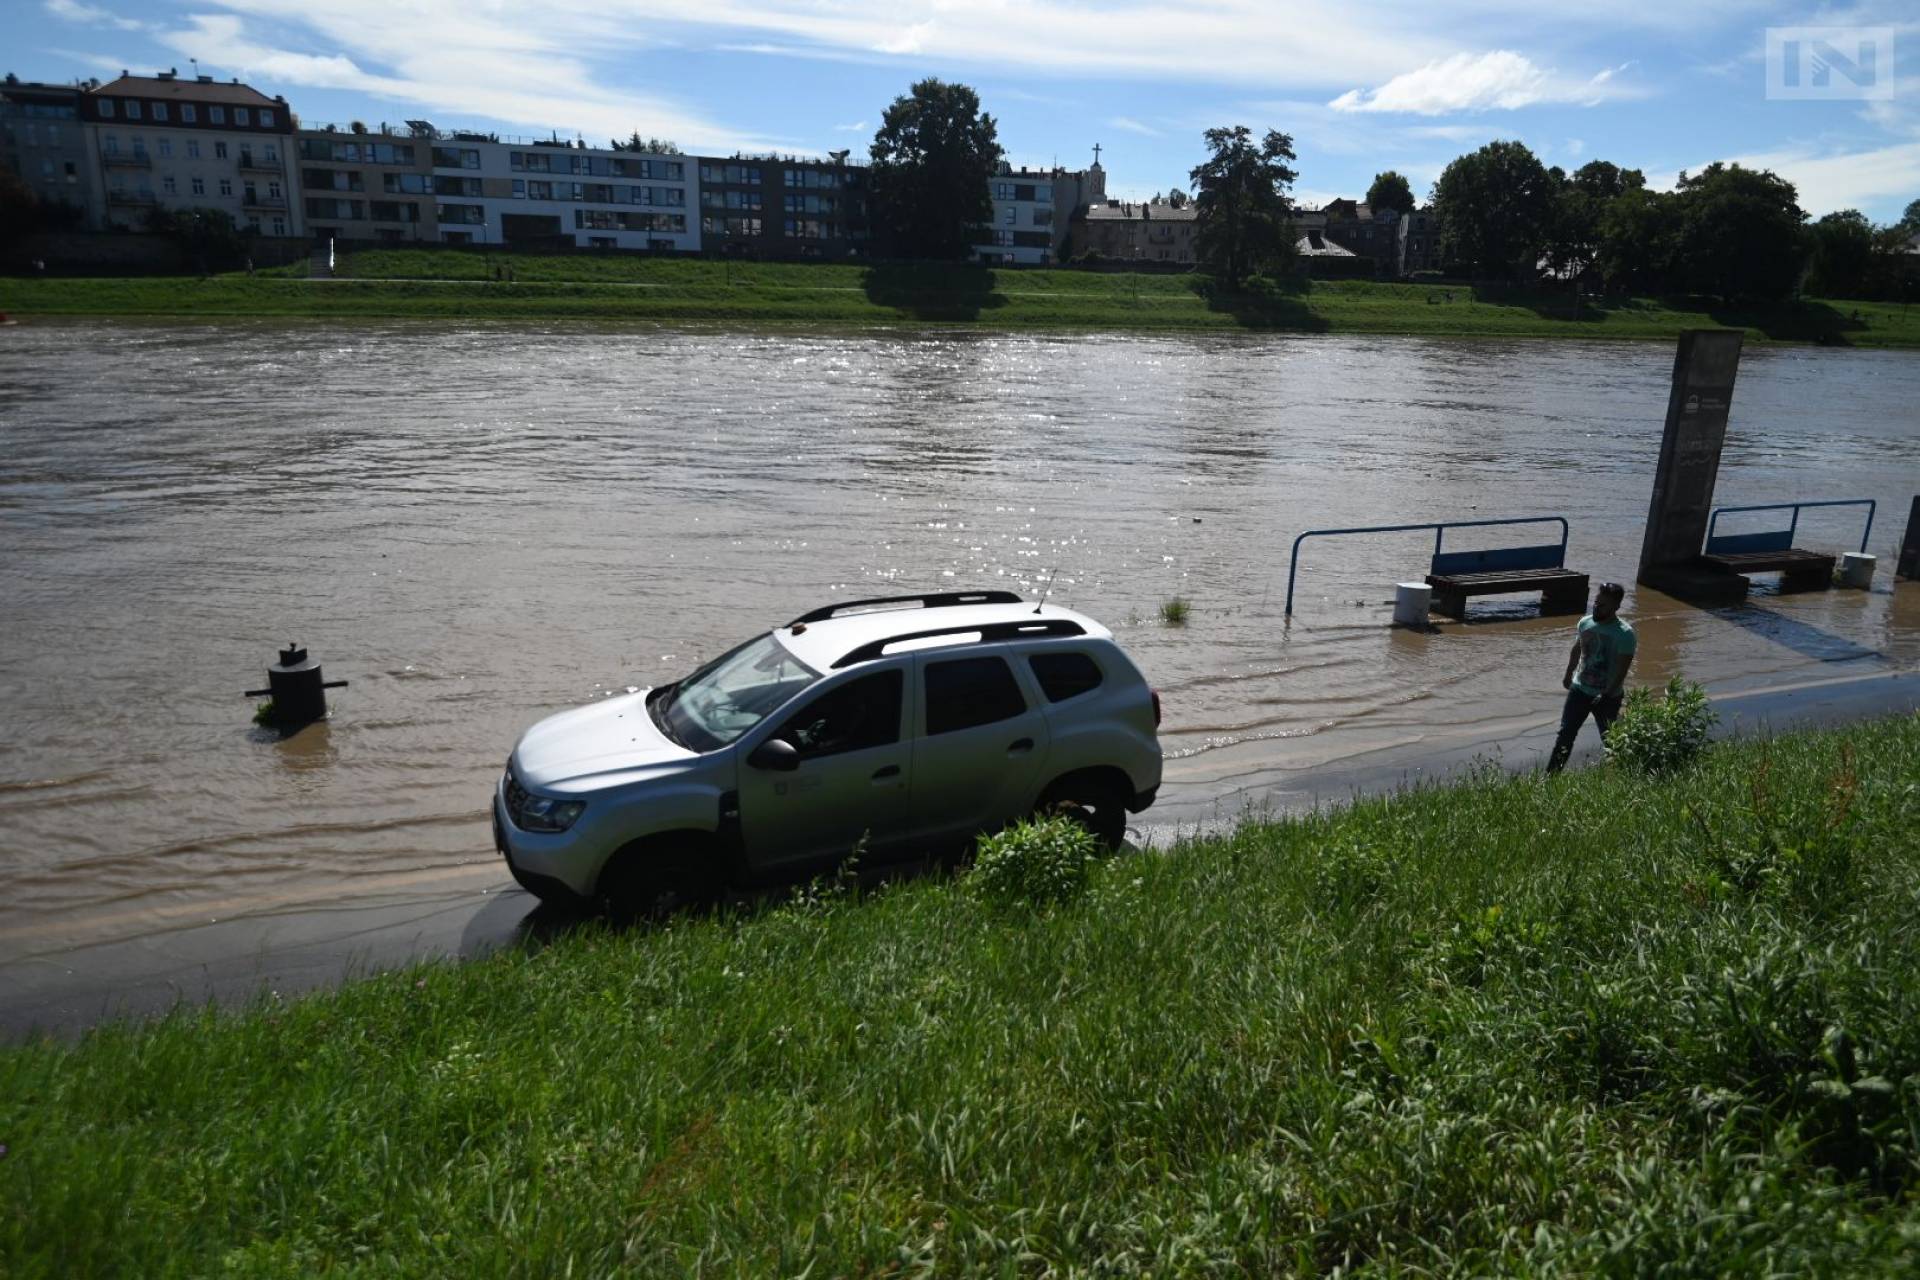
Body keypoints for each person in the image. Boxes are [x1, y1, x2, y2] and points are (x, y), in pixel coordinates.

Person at [1546, 581, 1636, 773]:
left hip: (1608, 697)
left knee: (1611, 740)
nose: (1597, 607)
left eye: (1602, 605)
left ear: (1616, 607)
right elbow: (1577, 648)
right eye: (1596, 602)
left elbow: (1622, 671)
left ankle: (1619, 776)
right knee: (1565, 735)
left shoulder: (1625, 634)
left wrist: (1606, 694)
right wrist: (1568, 673)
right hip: (1579, 690)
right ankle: (1550, 778)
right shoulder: (1585, 623)